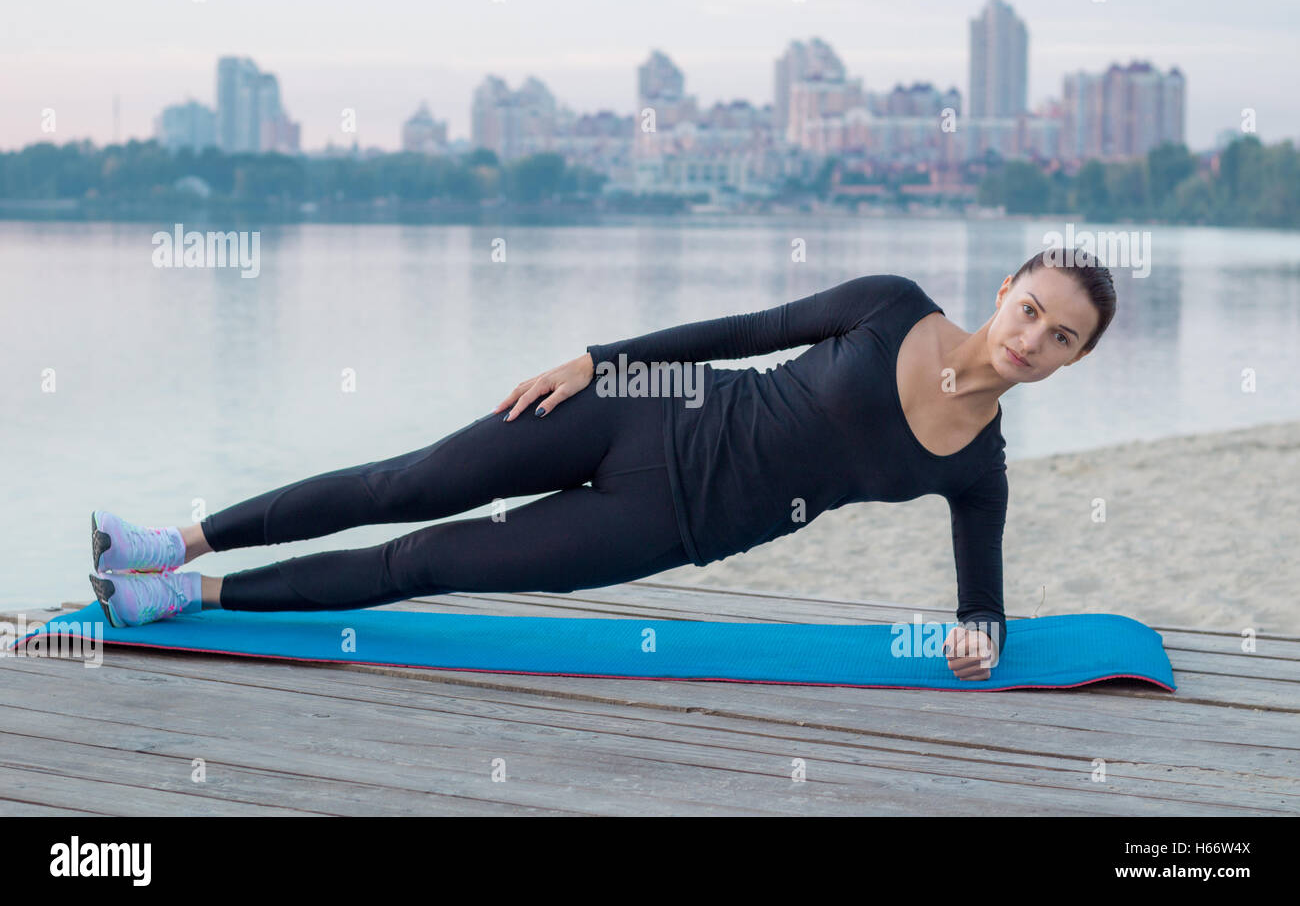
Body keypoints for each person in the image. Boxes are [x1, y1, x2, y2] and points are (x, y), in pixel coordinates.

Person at [88, 247, 1115, 682]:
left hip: (664, 526)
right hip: (637, 410)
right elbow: (741, 328)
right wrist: (598, 361)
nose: (1032, 337)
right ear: (1002, 291)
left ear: (1071, 360)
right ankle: (168, 537)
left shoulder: (977, 466)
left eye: (1061, 336)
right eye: (1031, 308)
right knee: (399, 480)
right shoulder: (892, 302)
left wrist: (978, 641)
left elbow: (981, 602)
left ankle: (186, 593)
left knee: (422, 562)